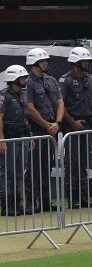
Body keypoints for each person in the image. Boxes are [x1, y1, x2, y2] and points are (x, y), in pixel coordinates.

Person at [58, 46, 92, 210]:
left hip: (88, 125)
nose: (87, 63)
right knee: (72, 163)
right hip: (72, 126)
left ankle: (84, 197)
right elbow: (61, 105)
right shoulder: (66, 80)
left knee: (84, 162)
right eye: (84, 60)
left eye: (88, 60)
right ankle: (72, 198)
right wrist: (72, 123)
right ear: (76, 62)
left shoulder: (90, 79)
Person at [21, 48, 62, 212]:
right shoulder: (27, 83)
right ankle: (31, 201)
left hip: (52, 129)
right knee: (33, 168)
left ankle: (45, 201)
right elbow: (30, 109)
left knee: (47, 167)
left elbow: (60, 102)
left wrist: (57, 122)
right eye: (43, 60)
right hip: (36, 130)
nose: (46, 63)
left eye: (47, 60)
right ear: (34, 63)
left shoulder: (51, 80)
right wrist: (47, 125)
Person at [1, 65, 32, 216]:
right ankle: (6, 206)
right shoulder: (4, 96)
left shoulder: (24, 94)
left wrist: (30, 135)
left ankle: (18, 204)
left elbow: (25, 116)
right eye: (22, 78)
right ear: (13, 79)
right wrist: (1, 140)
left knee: (20, 172)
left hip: (23, 136)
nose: (25, 80)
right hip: (9, 138)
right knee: (7, 172)